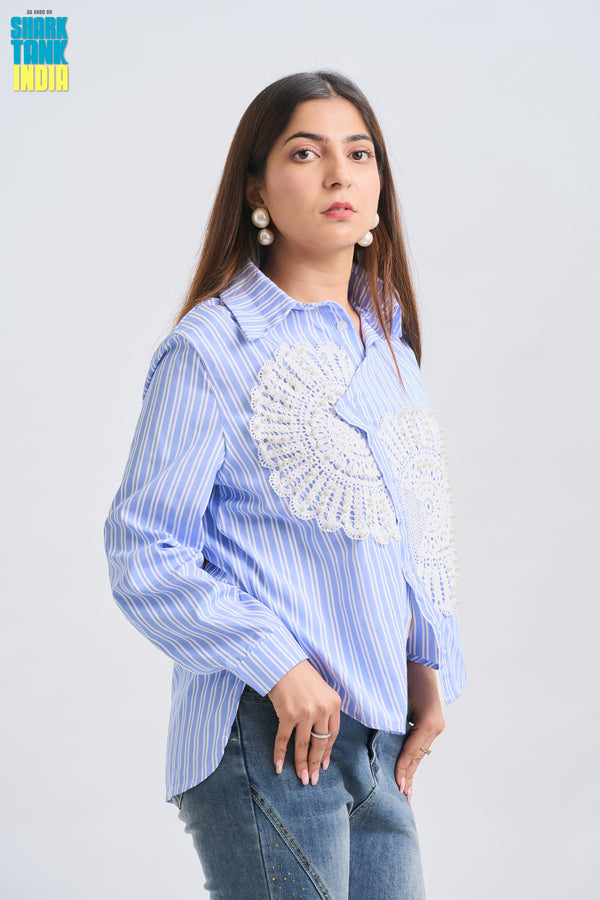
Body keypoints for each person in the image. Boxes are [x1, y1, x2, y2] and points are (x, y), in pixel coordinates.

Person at [104, 70, 466, 899]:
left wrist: (424, 662)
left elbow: (403, 526)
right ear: (258, 188)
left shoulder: (388, 346)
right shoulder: (214, 346)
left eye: (359, 153)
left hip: (377, 736)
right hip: (267, 733)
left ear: (379, 187)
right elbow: (143, 550)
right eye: (306, 153)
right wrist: (277, 664)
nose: (339, 174)